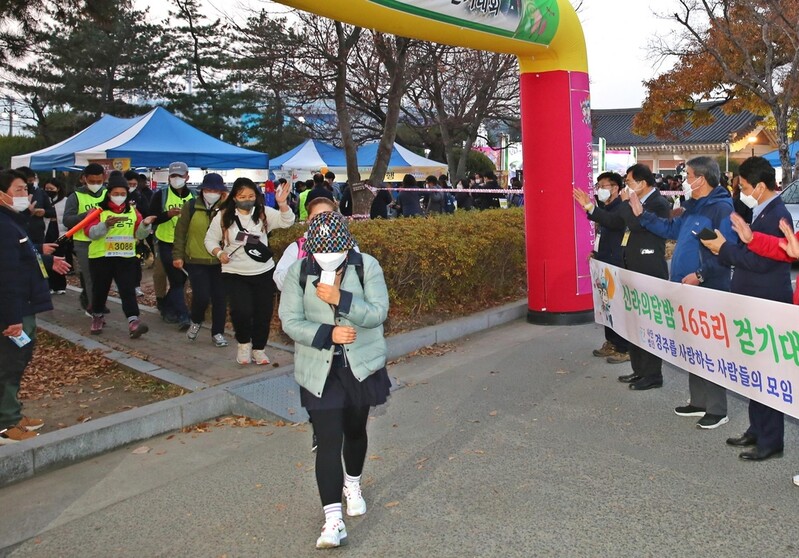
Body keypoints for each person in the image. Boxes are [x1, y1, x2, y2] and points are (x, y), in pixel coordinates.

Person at [278, 211, 390, 550]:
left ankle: (352, 483)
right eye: (321, 253)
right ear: (310, 248)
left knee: (355, 431)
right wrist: (329, 333)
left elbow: (378, 312)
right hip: (319, 370)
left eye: (335, 252)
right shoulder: (299, 272)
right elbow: (290, 321)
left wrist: (341, 299)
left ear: (346, 244)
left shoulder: (365, 266)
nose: (328, 258)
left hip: (360, 366)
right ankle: (333, 520)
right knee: (328, 439)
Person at [631, 156, 736, 428]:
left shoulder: (720, 209)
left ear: (701, 178)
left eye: (688, 176)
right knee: (692, 346)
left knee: (709, 349)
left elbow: (726, 252)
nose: (685, 181)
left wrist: (701, 275)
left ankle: (717, 408)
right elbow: (670, 229)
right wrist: (643, 216)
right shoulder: (693, 208)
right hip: (684, 288)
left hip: (708, 289)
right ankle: (698, 401)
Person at [698, 156, 792, 460]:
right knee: (754, 369)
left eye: (746, 187)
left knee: (769, 373)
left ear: (761, 186)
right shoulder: (761, 211)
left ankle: (770, 440)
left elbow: (762, 262)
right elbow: (753, 248)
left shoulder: (778, 215)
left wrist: (723, 249)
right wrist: (730, 244)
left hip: (766, 301)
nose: (742, 193)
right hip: (751, 300)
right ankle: (756, 429)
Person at [0, 170, 70, 443]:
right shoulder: (4, 226)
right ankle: (6, 423)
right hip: (14, 309)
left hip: (25, 305)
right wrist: (12, 318)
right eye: (18, 190)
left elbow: (22, 257)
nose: (25, 196)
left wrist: (43, 256)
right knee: (9, 364)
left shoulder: (13, 221)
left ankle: (13, 414)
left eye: (25, 190)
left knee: (17, 362)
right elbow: (6, 274)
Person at [205, 177, 294, 365]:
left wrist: (282, 203)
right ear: (234, 197)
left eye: (251, 195)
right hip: (234, 271)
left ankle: (259, 349)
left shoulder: (263, 213)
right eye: (242, 196)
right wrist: (219, 253)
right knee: (241, 310)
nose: (247, 199)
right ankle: (244, 344)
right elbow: (210, 240)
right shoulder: (223, 216)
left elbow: (287, 222)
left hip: (263, 271)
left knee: (264, 312)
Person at [83, 172, 155, 337]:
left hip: (125, 256)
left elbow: (140, 234)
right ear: (109, 194)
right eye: (116, 193)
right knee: (100, 289)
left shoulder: (132, 212)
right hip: (101, 257)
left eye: (123, 194)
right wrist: (105, 225)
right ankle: (97, 316)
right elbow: (90, 233)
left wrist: (145, 225)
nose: (119, 197)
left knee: (127, 289)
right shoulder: (97, 211)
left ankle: (133, 321)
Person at [573, 171, 631, 366]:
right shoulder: (606, 207)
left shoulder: (621, 207)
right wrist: (595, 251)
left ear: (615, 188)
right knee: (606, 304)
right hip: (603, 260)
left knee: (617, 305)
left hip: (616, 263)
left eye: (604, 186)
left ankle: (624, 347)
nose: (600, 190)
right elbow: (602, 231)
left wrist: (589, 206)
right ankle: (612, 342)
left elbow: (612, 222)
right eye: (598, 187)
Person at [173, 173, 229, 347]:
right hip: (196, 260)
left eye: (216, 190)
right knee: (202, 296)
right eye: (209, 189)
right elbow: (180, 233)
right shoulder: (190, 207)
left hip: (221, 261)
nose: (212, 193)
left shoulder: (228, 209)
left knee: (220, 298)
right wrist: (178, 255)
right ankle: (196, 321)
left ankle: (218, 332)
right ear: (202, 190)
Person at [150, 162, 195, 330]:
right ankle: (183, 315)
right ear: (169, 177)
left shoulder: (194, 197)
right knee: (175, 279)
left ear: (187, 177)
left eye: (180, 176)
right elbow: (151, 218)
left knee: (182, 278)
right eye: (173, 176)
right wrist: (166, 215)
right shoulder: (160, 195)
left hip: (187, 244)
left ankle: (167, 307)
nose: (177, 179)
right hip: (166, 242)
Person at [62, 163, 107, 315]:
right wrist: (87, 216)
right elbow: (67, 220)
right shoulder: (75, 197)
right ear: (84, 179)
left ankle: (95, 301)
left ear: (104, 178)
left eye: (99, 182)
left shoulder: (108, 195)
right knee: (90, 276)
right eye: (92, 181)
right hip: (83, 243)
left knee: (103, 276)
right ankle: (94, 308)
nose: (96, 185)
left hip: (104, 242)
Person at [274, 197, 341, 292]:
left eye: (327, 215)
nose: (321, 220)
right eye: (316, 216)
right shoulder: (297, 248)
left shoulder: (348, 247)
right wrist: (301, 265)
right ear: (308, 220)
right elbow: (280, 283)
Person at [42, 177, 71, 295]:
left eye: (51, 188)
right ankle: (48, 285)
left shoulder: (65, 200)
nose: (48, 190)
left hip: (60, 233)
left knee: (59, 258)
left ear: (58, 189)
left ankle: (60, 285)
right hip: (46, 232)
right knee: (46, 260)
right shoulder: (43, 199)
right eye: (46, 188)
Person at [15, 166, 55, 246]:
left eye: (32, 180)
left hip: (37, 233)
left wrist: (44, 212)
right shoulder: (12, 194)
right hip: (18, 233)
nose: (31, 183)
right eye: (28, 181)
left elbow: (52, 212)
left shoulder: (40, 193)